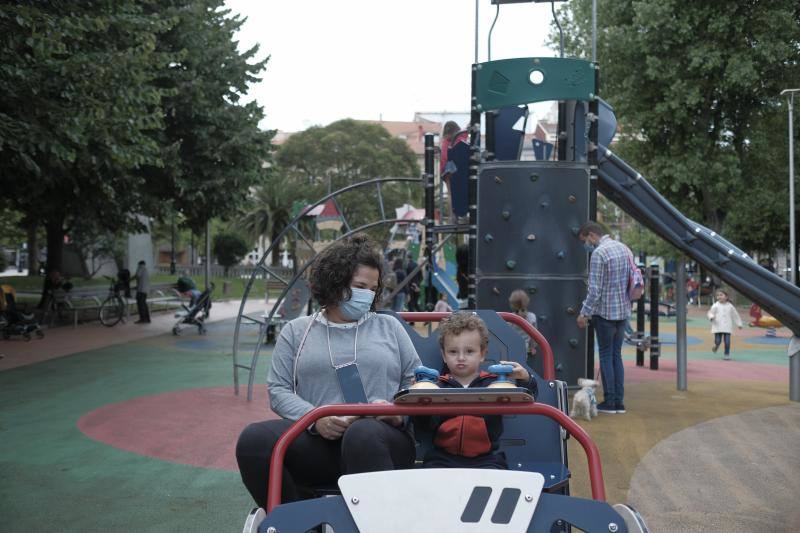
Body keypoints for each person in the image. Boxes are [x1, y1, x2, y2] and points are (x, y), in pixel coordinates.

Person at [235, 235, 422, 508]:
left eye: (373, 288)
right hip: (320, 442)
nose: (367, 295)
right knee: (253, 440)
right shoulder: (297, 332)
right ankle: (295, 520)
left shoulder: (389, 327)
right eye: (360, 286)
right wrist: (315, 419)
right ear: (336, 282)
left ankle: (377, 521)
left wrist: (395, 413)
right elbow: (279, 390)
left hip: (381, 440)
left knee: (363, 432)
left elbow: (417, 382)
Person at [418, 312, 537, 469]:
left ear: (482, 354)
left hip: (486, 459)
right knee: (429, 478)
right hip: (443, 459)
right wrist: (419, 397)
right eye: (453, 351)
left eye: (469, 351)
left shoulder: (494, 385)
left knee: (498, 478)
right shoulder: (436, 387)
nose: (461, 357)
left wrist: (525, 379)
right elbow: (423, 426)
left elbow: (528, 398)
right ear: (444, 355)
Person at [576, 221, 633, 414]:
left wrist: (584, 313)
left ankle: (609, 402)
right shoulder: (623, 248)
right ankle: (619, 402)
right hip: (623, 312)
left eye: (586, 241)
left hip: (606, 314)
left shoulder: (599, 254)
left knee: (606, 356)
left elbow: (595, 290)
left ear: (592, 235)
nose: (587, 245)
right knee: (617, 355)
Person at [707, 289, 743, 360]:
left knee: (727, 342)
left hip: (727, 327)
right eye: (718, 295)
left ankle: (726, 354)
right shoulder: (715, 305)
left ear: (726, 297)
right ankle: (716, 346)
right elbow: (710, 312)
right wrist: (711, 317)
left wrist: (739, 324)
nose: (719, 297)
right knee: (718, 341)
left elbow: (735, 315)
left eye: (721, 295)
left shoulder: (730, 306)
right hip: (717, 326)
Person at [508, 289, 538, 356]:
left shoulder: (510, 318)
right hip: (524, 347)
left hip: (511, 347)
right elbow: (534, 335)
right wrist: (532, 347)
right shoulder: (532, 317)